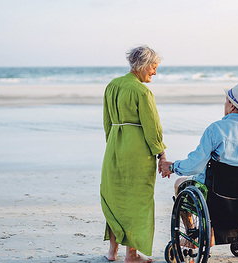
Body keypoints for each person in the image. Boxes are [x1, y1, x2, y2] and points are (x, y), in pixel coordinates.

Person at [101, 45, 167, 263]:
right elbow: (152, 128)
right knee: (138, 201)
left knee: (114, 198)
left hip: (114, 148)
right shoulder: (142, 91)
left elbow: (107, 122)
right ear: (143, 65)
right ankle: (132, 255)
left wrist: (113, 144)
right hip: (138, 152)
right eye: (153, 67)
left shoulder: (112, 86)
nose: (155, 73)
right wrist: (161, 155)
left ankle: (112, 251)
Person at [160, 81, 238, 196]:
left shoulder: (216, 130)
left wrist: (172, 167)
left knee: (179, 184)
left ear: (232, 106)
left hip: (215, 194)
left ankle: (188, 218)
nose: (224, 105)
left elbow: (195, 165)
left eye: (226, 101)